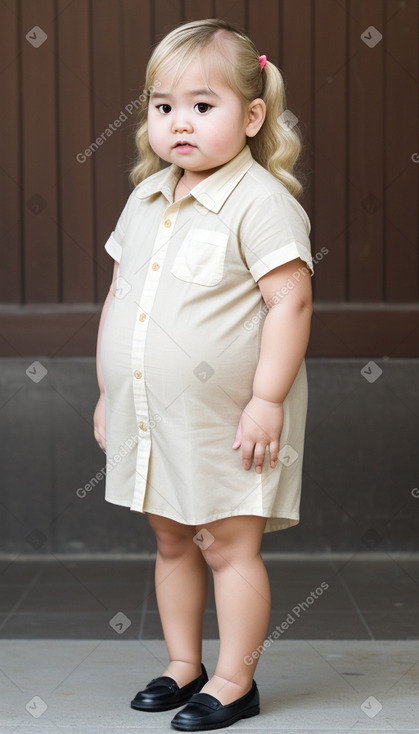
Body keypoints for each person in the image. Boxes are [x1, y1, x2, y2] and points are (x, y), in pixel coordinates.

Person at [93, 17, 314, 731]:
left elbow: (290, 301)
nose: (177, 123)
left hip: (229, 419)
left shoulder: (261, 202)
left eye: (201, 105)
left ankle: (232, 679)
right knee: (170, 538)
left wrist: (265, 400)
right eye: (162, 107)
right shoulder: (146, 198)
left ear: (251, 116)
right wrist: (107, 392)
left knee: (226, 543)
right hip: (155, 415)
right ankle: (183, 664)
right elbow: (120, 297)